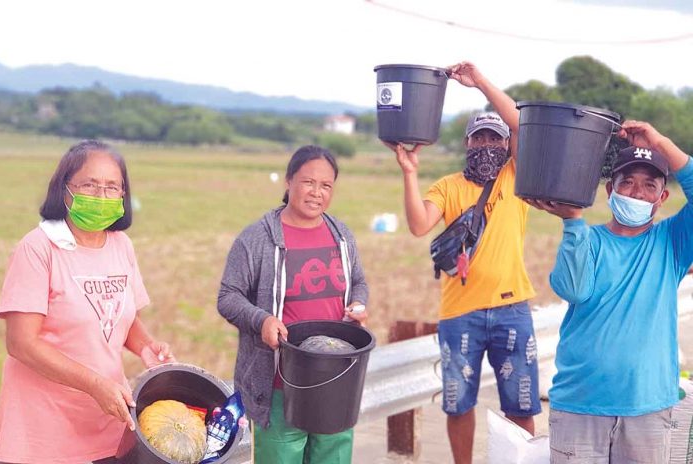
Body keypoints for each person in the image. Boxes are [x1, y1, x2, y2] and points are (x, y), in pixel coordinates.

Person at [385, 62, 540, 463]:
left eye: (495, 139)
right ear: (468, 144)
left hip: (512, 309)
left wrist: (481, 82)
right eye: (479, 139)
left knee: (521, 405)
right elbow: (420, 224)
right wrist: (409, 173)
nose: (487, 145)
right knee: (458, 404)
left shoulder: (515, 178)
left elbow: (523, 125)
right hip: (460, 314)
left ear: (506, 145)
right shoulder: (450, 186)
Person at [0, 140, 175, 464]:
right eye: (90, 185)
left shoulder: (121, 245)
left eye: (112, 187)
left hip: (107, 424)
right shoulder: (38, 248)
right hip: (43, 434)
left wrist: (146, 346)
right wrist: (95, 384)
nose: (101, 195)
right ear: (65, 190)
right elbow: (21, 343)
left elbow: (121, 314)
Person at [527, 120, 692, 463]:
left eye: (649, 185)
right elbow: (573, 290)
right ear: (609, 191)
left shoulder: (672, 242)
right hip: (579, 405)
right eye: (627, 183)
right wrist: (572, 221)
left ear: (662, 198)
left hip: (648, 407)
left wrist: (660, 141)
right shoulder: (588, 239)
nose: (636, 192)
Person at [217, 145, 369, 464]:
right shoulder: (257, 238)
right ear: (288, 182)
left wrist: (358, 302)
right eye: (308, 182)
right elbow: (228, 296)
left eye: (326, 185)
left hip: (336, 381)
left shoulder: (341, 236)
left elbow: (359, 282)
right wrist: (262, 321)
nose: (317, 193)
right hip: (280, 384)